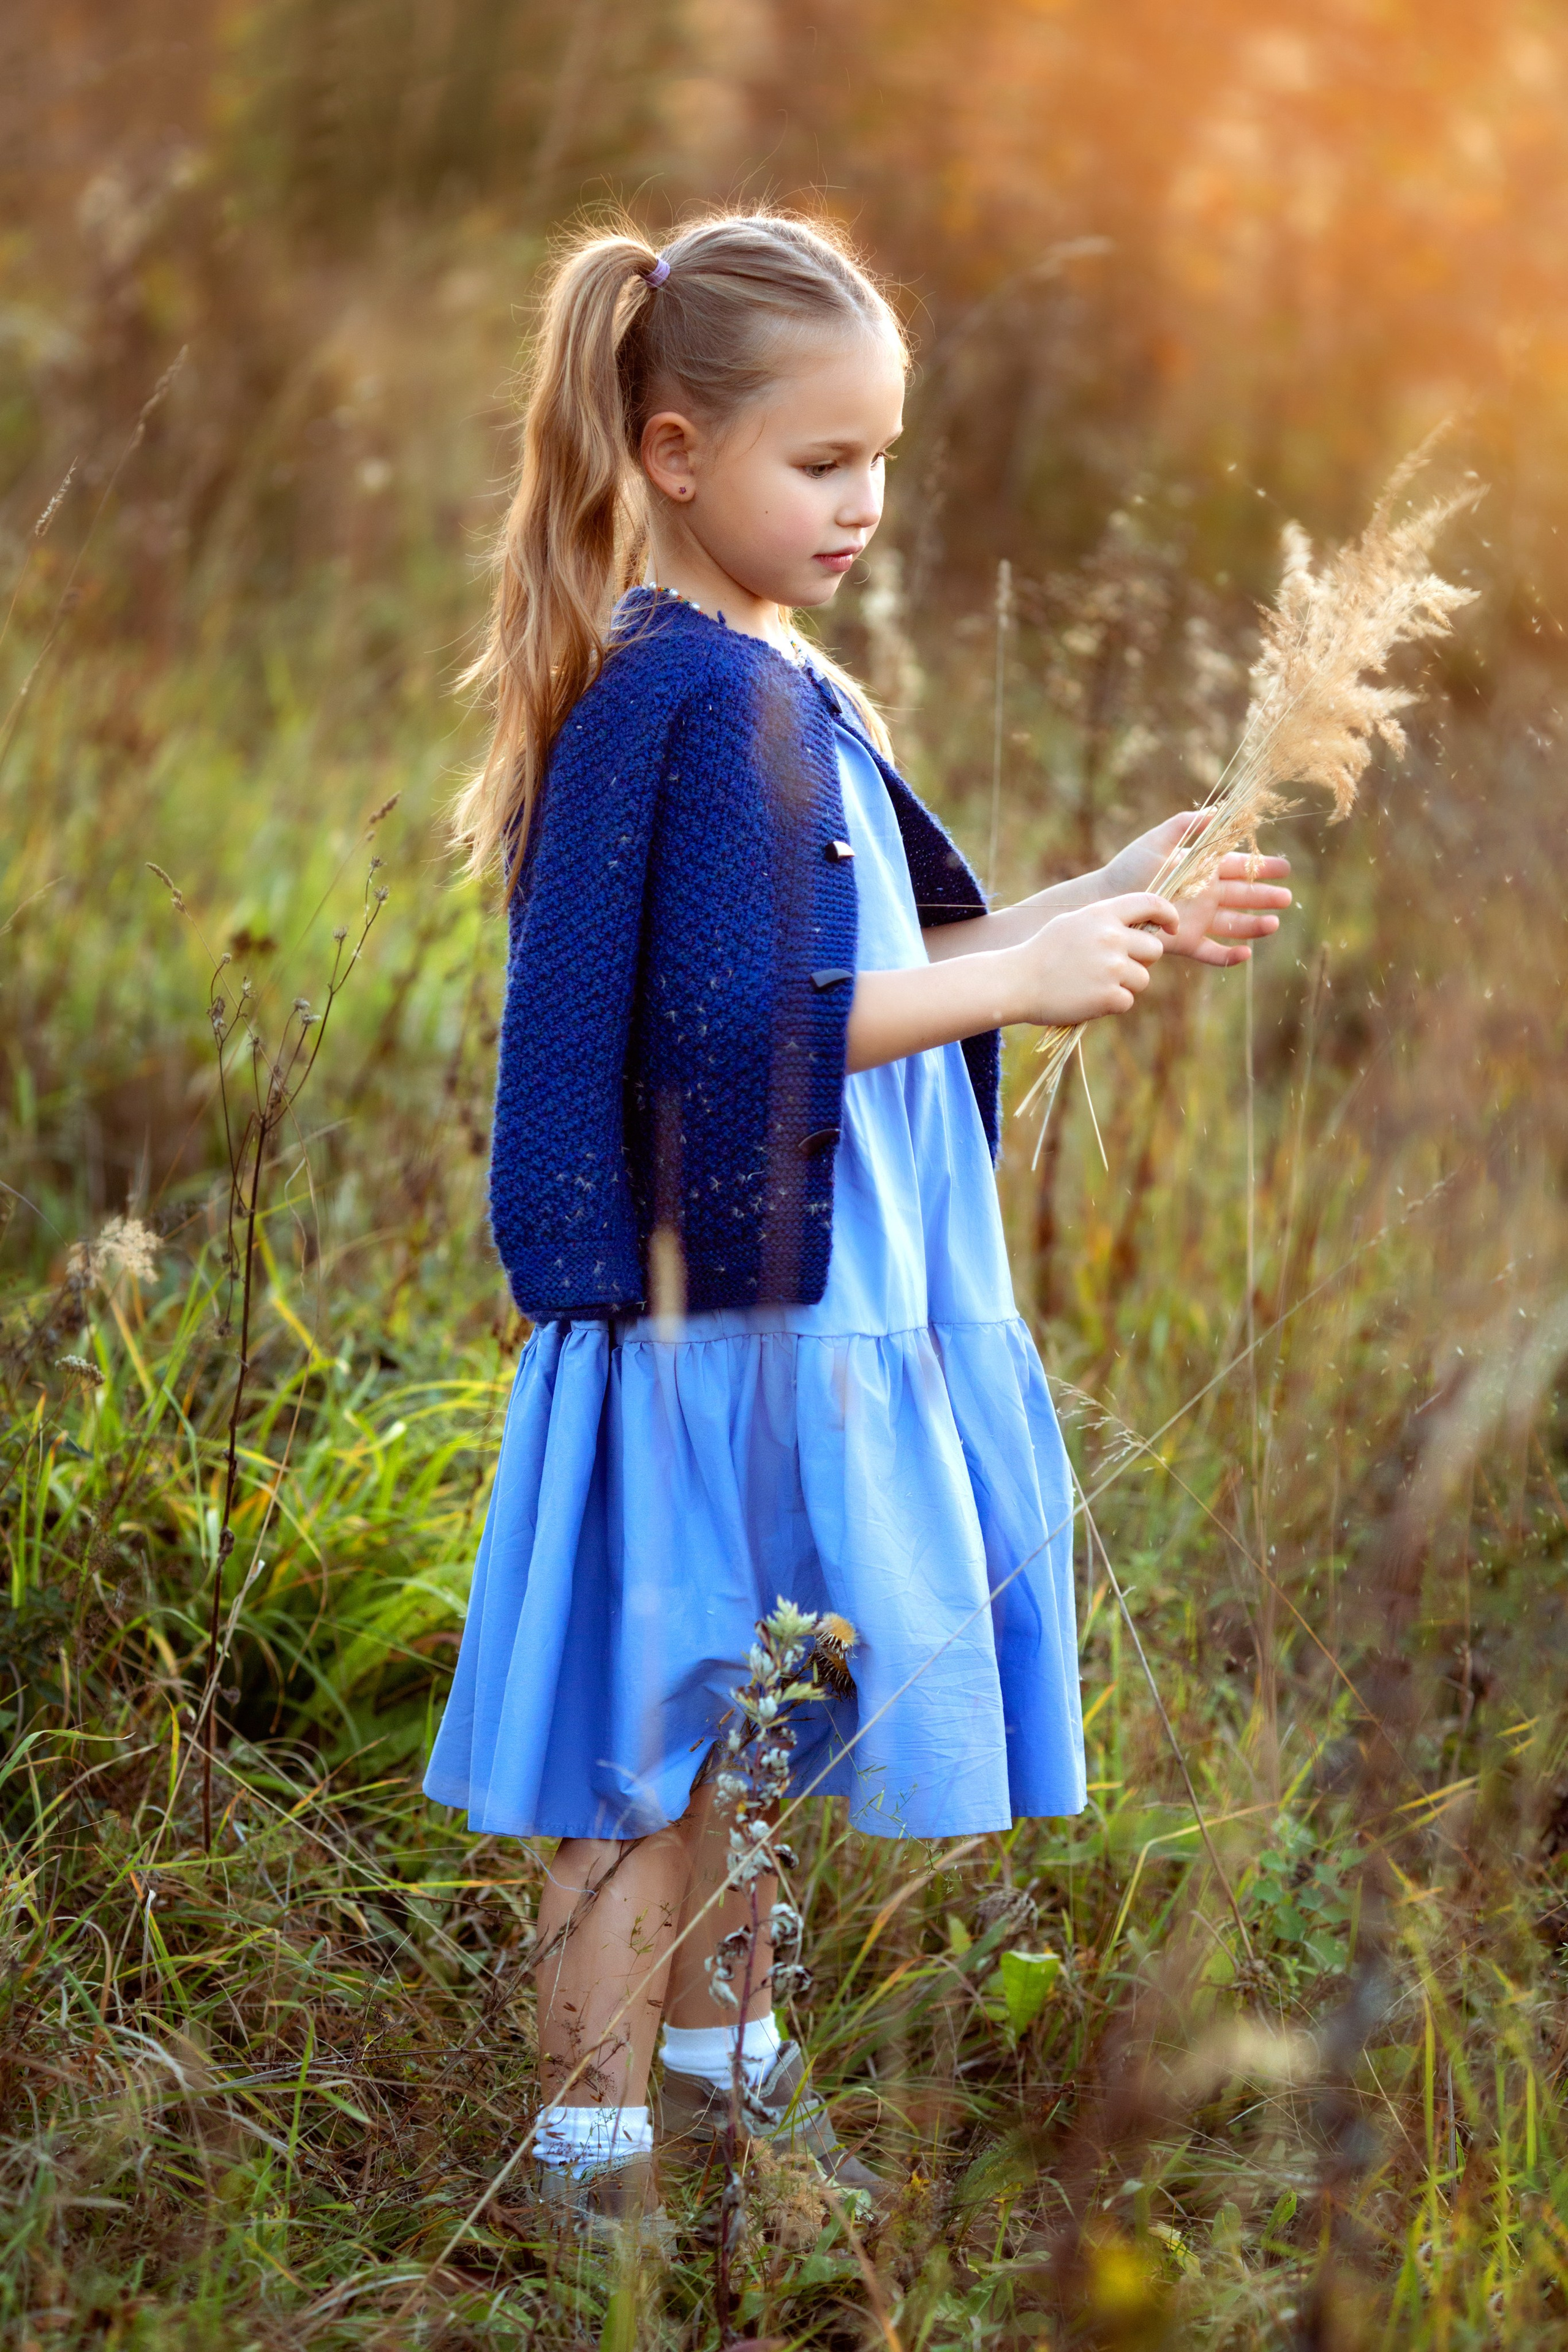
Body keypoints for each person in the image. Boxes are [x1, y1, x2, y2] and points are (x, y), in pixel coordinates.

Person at [423, 209, 1290, 2237]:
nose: (867, 505)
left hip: (797, 1300)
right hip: (702, 1309)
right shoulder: (681, 695)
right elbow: (732, 1030)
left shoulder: (778, 675)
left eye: (885, 458)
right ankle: (588, 2171)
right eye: (825, 462)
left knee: (751, 1722)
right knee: (647, 1753)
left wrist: (1104, 896)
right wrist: (1021, 989)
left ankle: (728, 2100)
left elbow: (885, 946)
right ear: (671, 451)